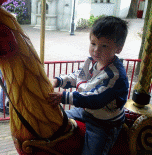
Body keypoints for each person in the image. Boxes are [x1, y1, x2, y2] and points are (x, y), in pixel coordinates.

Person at [47, 16, 129, 155]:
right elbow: (78, 75)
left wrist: (64, 97)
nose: (96, 50)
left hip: (104, 123)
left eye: (104, 46)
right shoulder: (92, 61)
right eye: (93, 43)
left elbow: (96, 99)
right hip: (85, 112)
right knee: (58, 121)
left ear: (118, 49)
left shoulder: (115, 76)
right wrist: (58, 81)